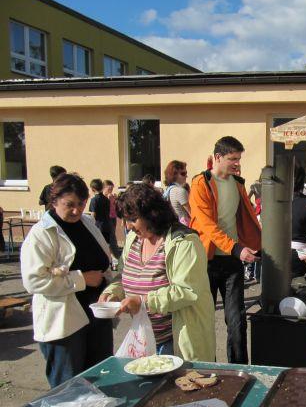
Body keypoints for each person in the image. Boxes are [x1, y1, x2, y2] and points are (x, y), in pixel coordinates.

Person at [99, 184, 216, 361]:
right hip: (144, 339)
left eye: (132, 219)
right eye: (125, 219)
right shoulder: (133, 239)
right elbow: (123, 276)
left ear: (151, 214)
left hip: (176, 342)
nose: (127, 226)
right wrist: (113, 292)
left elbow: (186, 291)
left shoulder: (184, 242)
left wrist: (143, 302)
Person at [21, 173, 113, 388]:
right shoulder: (41, 234)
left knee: (102, 381)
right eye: (69, 205)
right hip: (64, 323)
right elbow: (34, 281)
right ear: (54, 202)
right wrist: (81, 279)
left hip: (96, 315)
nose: (76, 210)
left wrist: (109, 284)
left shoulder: (87, 222)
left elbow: (104, 260)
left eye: (81, 204)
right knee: (69, 388)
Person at [189, 136, 261, 364]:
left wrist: (259, 245)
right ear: (217, 157)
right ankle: (205, 367)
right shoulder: (200, 183)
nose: (237, 163)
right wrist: (236, 248)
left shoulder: (238, 184)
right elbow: (207, 226)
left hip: (232, 261)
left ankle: (240, 370)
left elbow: (247, 220)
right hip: (206, 260)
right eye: (233, 159)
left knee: (237, 320)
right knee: (204, 320)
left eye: (239, 159)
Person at [163, 160, 191, 226]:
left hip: (174, 226)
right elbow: (192, 213)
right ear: (174, 175)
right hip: (185, 227)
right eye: (183, 174)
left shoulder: (169, 190)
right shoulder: (180, 191)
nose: (186, 176)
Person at [89, 179, 113, 244]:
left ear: (92, 189)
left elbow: (93, 215)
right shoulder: (107, 199)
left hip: (98, 227)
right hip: (107, 226)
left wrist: (91, 225)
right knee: (106, 245)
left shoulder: (94, 200)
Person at [103, 179, 119, 257]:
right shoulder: (103, 198)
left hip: (113, 217)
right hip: (107, 218)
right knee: (110, 236)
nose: (110, 191)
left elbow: (115, 207)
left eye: (112, 189)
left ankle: (113, 253)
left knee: (112, 234)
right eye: (109, 189)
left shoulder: (112, 196)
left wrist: (116, 200)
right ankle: (114, 254)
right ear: (104, 188)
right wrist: (108, 199)